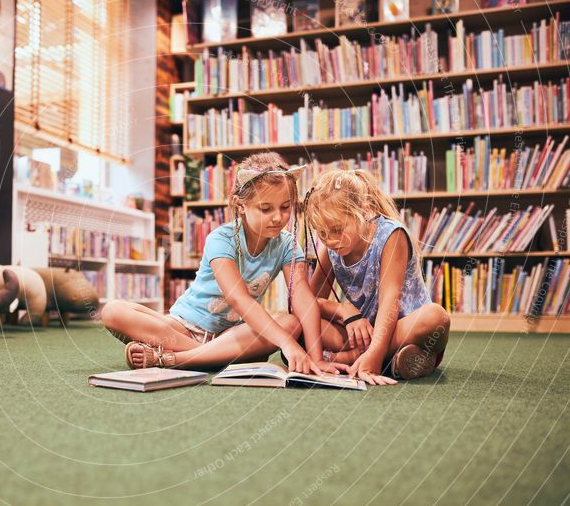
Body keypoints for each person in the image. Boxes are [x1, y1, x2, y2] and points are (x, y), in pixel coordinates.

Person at [101, 152, 328, 373]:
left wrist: (316, 358)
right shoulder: (221, 239)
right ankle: (209, 357)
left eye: (285, 207)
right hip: (184, 328)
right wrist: (287, 345)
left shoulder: (288, 244)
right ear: (240, 206)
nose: (278, 217)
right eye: (265, 208)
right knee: (113, 310)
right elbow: (239, 299)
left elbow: (303, 298)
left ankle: (173, 358)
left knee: (290, 324)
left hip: (230, 335)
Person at [303, 168, 451, 386]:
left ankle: (353, 359)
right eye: (321, 233)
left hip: (404, 329)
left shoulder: (391, 235)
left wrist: (375, 353)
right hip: (363, 331)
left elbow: (390, 301)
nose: (330, 240)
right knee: (300, 324)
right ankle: (399, 361)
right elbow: (307, 303)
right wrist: (344, 310)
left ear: (363, 211)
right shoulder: (330, 248)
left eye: (336, 229)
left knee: (436, 317)